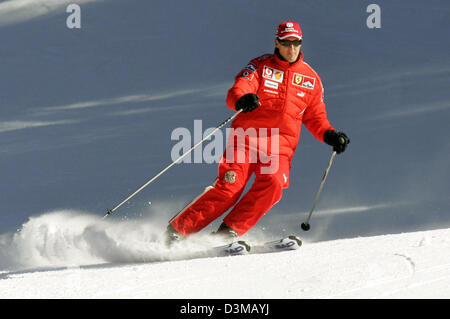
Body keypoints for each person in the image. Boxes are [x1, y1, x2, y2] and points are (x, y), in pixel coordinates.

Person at [165, 20, 349, 245]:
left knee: (273, 184)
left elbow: (316, 118)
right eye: (286, 43)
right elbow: (238, 88)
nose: (291, 48)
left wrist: (330, 135)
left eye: (296, 43)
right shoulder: (260, 66)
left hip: (279, 148)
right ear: (277, 42)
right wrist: (242, 99)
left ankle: (228, 232)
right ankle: (177, 231)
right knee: (230, 187)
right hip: (246, 140)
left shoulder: (311, 80)